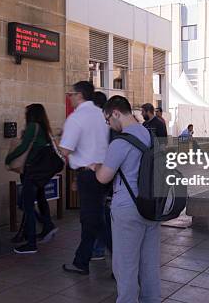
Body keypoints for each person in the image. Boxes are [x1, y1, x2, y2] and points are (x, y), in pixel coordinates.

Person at [91, 95, 160, 303]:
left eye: (107, 120)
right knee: (149, 265)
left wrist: (95, 167)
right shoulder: (150, 135)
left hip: (128, 210)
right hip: (151, 206)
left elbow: (104, 177)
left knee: (125, 266)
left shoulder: (120, 142)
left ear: (115, 113)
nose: (109, 125)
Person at [60, 81, 109, 275]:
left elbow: (66, 149)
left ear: (79, 95)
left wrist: (56, 141)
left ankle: (124, 263)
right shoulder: (100, 115)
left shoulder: (76, 118)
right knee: (95, 219)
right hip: (102, 173)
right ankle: (82, 260)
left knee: (93, 220)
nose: (68, 97)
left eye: (70, 94)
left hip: (88, 175)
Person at [5, 104, 58, 254]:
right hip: (42, 172)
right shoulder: (44, 128)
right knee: (40, 199)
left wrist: (9, 158)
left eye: (27, 112)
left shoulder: (32, 127)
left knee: (25, 204)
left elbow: (23, 147)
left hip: (32, 171)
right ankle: (47, 226)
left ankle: (32, 242)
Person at [90, 91, 112, 260]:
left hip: (99, 174)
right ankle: (100, 248)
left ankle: (100, 248)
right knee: (102, 213)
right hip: (107, 175)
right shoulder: (107, 123)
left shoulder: (98, 123)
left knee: (99, 214)